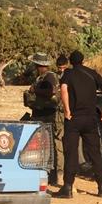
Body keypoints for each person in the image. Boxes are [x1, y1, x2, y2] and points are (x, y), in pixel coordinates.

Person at [55, 50, 102, 199]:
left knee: (71, 152)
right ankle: (101, 187)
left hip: (73, 119)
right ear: (83, 60)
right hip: (91, 119)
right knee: (95, 153)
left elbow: (64, 90)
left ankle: (68, 187)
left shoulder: (68, 74)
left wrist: (67, 110)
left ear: (71, 62)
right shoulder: (92, 73)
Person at [25, 53, 64, 186]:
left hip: (49, 116)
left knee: (53, 145)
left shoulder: (49, 77)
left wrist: (34, 90)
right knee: (44, 146)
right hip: (41, 115)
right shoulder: (41, 77)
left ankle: (57, 174)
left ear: (39, 65)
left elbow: (51, 91)